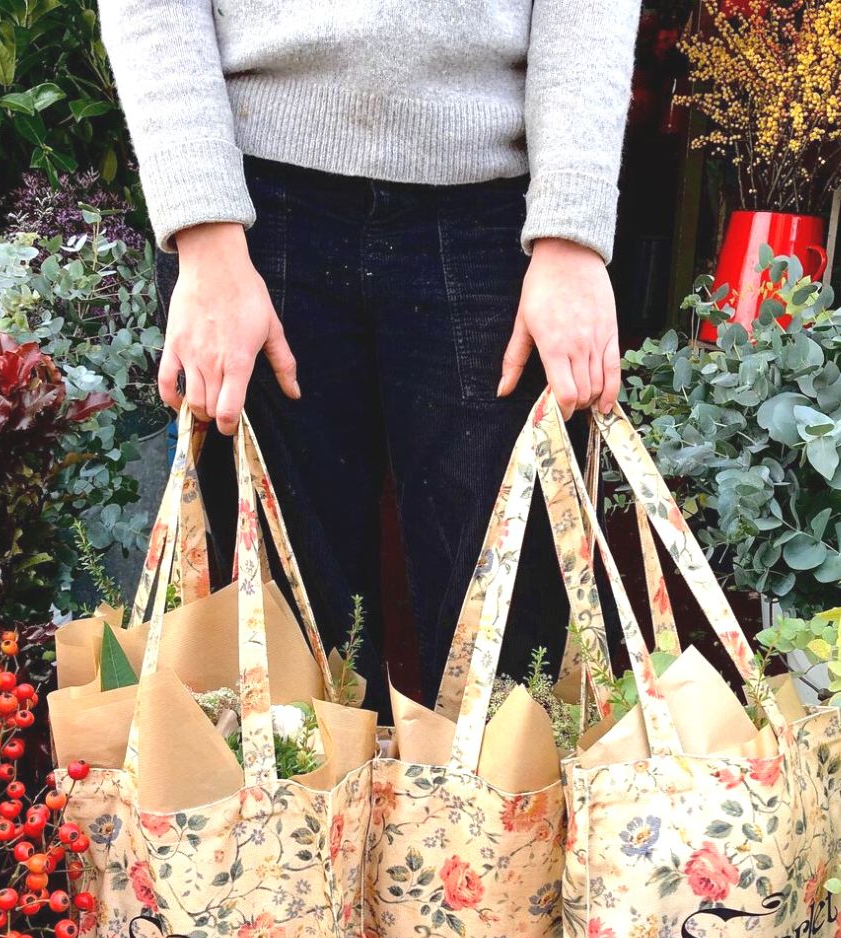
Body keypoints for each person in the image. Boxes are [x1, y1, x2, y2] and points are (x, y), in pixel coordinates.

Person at [97, 0, 638, 729]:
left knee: (516, 673)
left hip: (499, 211)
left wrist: (571, 232)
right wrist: (202, 222)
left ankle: (502, 845)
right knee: (283, 691)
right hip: (249, 208)